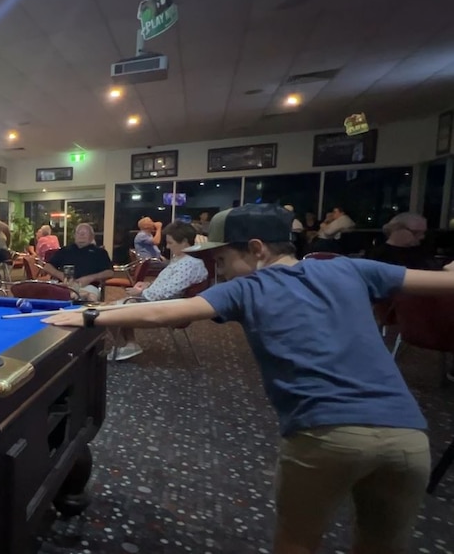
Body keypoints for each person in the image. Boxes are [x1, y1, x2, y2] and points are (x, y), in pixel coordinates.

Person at [44, 203, 454, 554]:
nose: (218, 269)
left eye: (221, 260)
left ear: (256, 249)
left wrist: (89, 315)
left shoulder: (249, 288)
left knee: (296, 543)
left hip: (324, 438)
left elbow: (162, 312)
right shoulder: (351, 269)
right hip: (409, 441)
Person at [109, 221, 208, 361]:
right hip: (160, 302)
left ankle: (123, 346)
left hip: (163, 307)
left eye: (170, 243)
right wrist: (148, 285)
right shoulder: (183, 260)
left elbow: (167, 293)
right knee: (115, 307)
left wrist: (141, 293)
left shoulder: (190, 264)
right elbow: (168, 285)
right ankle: (129, 345)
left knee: (108, 313)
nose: (167, 246)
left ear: (185, 241)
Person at [41, 223, 114, 302]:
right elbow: (47, 267)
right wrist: (62, 276)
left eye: (85, 233)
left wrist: (91, 278)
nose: (81, 235)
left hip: (89, 286)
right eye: (79, 232)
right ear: (75, 235)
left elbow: (110, 272)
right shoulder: (65, 251)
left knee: (90, 298)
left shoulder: (100, 252)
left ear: (92, 237)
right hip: (66, 286)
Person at [367, 212, 436, 270]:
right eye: (416, 233)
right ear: (398, 229)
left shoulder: (422, 253)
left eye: (423, 233)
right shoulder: (377, 256)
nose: (422, 237)